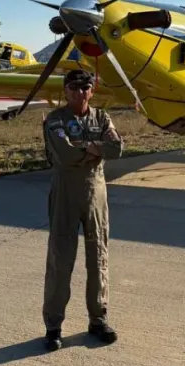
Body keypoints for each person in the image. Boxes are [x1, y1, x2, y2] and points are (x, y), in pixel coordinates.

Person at [41, 68, 123, 351]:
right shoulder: (55, 119)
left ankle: (98, 320)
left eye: (85, 87)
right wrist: (95, 149)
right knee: (61, 259)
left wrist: (84, 147)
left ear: (92, 90)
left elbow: (117, 148)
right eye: (74, 88)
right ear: (65, 91)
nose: (80, 93)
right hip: (66, 192)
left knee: (98, 256)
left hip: (96, 194)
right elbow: (64, 154)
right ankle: (53, 326)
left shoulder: (102, 117)